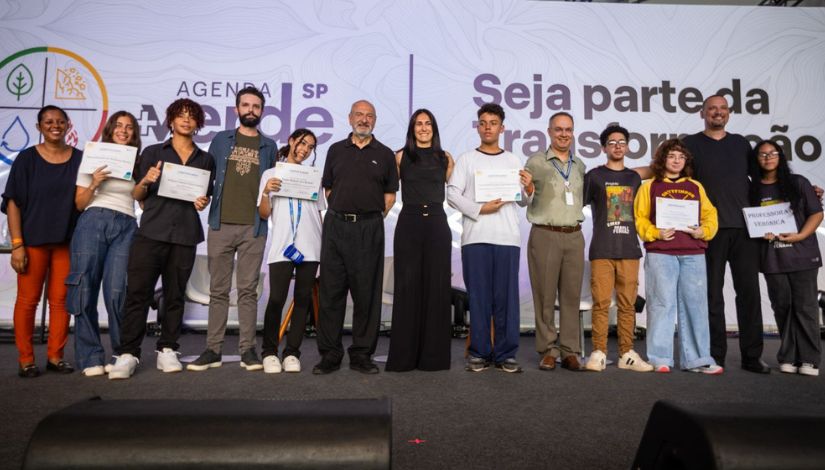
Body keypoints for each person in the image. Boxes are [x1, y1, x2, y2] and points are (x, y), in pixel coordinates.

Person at [108, 98, 215, 379]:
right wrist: (146, 180)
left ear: (198, 123)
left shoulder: (206, 159)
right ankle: (127, 353)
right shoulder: (153, 152)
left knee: (175, 296)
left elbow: (204, 198)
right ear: (170, 120)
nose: (186, 120)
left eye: (192, 116)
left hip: (185, 235)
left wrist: (202, 203)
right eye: (180, 115)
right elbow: (137, 196)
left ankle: (168, 348)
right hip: (151, 232)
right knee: (137, 294)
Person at [186, 87, 277, 373]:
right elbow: (208, 178)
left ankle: (248, 350)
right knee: (219, 291)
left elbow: (271, 189)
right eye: (246, 105)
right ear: (237, 109)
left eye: (256, 106)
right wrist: (201, 197)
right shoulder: (220, 140)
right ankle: (213, 349)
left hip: (254, 227)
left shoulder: (269, 146)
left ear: (262, 111)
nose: (251, 110)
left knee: (248, 291)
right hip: (220, 225)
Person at [683, 95, 768, 373]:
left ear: (728, 114)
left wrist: (801, 189)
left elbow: (765, 179)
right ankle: (715, 354)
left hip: (744, 229)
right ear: (702, 113)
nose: (717, 113)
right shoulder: (690, 144)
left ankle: (752, 356)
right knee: (711, 295)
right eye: (712, 109)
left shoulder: (742, 144)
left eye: (722, 109)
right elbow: (675, 178)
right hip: (709, 230)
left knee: (749, 294)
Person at [313, 100, 398, 375]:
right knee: (331, 294)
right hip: (336, 228)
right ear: (350, 118)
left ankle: (361, 354)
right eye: (359, 115)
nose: (364, 119)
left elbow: (389, 196)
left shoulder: (384, 154)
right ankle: (330, 354)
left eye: (369, 116)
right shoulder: (335, 150)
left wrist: (365, 218)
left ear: (375, 120)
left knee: (367, 296)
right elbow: (328, 189)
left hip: (369, 229)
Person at [447, 103, 533, 373]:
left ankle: (506, 354)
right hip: (476, 237)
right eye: (483, 122)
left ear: (502, 127)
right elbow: (452, 194)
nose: (487, 127)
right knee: (480, 298)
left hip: (507, 238)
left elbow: (522, 201)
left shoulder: (512, 160)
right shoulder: (466, 159)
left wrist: (529, 188)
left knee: (506, 299)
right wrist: (480, 208)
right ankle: (479, 352)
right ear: (478, 126)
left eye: (493, 123)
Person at [2, 105, 82, 378]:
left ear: (68, 125)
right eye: (48, 122)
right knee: (27, 301)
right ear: (39, 127)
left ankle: (55, 357)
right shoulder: (27, 159)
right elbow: (13, 202)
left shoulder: (81, 159)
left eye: (60, 121)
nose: (55, 125)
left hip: (66, 243)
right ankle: (26, 359)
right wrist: (17, 244)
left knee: (61, 302)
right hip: (32, 243)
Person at [634, 138, 722, 374]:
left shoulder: (695, 186)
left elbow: (710, 215)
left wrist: (703, 231)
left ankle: (698, 359)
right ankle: (659, 357)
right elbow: (640, 218)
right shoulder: (648, 186)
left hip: (693, 252)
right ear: (663, 159)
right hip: (661, 252)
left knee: (696, 305)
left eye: (681, 157)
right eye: (672, 156)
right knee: (661, 304)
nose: (676, 161)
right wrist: (655, 233)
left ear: (686, 161)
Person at [66, 111, 141, 377]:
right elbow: (79, 203)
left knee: (117, 291)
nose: (123, 130)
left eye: (129, 127)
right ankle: (90, 357)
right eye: (118, 126)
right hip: (93, 220)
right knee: (84, 289)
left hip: (127, 224)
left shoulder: (138, 161)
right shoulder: (93, 157)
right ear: (110, 129)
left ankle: (122, 354)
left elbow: (141, 200)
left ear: (134, 134)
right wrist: (95, 182)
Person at [386, 109, 454, 372]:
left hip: (437, 222)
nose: (423, 128)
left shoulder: (445, 158)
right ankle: (404, 358)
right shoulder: (400, 156)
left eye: (428, 124)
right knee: (408, 286)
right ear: (412, 129)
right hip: (409, 221)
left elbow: (458, 191)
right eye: (418, 124)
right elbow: (388, 193)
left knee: (437, 288)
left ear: (434, 128)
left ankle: (433, 359)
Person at [748, 140, 823, 376]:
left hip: (802, 255)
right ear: (756, 159)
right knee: (782, 306)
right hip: (773, 258)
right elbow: (753, 221)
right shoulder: (753, 189)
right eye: (762, 154)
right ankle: (788, 356)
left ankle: (809, 359)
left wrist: (799, 235)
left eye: (773, 153)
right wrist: (763, 231)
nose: (768, 157)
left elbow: (816, 214)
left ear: (780, 156)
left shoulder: (797, 182)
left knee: (806, 307)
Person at [583, 125, 652, 372]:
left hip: (629, 248)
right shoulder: (593, 176)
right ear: (604, 147)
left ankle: (626, 353)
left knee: (627, 303)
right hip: (602, 248)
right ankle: (598, 352)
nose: (617, 146)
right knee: (601, 303)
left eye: (621, 141)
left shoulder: (633, 178)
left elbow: (660, 165)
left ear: (627, 146)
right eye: (612, 142)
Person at [257, 129, 322, 374]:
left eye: (311, 147)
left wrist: (324, 245)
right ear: (292, 141)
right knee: (276, 299)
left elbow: (318, 212)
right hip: (283, 245)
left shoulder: (314, 175)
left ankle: (292, 352)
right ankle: (269, 352)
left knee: (303, 299)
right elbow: (264, 213)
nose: (305, 149)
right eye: (302, 143)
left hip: (310, 245)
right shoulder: (271, 173)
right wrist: (266, 192)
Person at [525, 112, 585, 372]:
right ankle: (548, 350)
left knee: (571, 298)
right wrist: (526, 191)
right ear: (549, 132)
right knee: (545, 297)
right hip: (545, 234)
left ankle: (570, 351)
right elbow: (521, 197)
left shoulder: (579, 164)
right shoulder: (536, 162)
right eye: (558, 129)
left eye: (568, 129)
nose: (563, 134)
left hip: (574, 236)